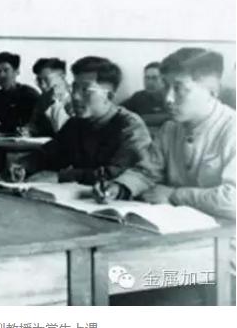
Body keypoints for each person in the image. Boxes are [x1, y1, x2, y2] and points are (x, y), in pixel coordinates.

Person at [100, 48, 235, 219]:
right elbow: (148, 172)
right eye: (166, 86)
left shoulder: (232, 129)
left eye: (179, 88)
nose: (168, 98)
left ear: (213, 90)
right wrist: (120, 188)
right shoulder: (170, 129)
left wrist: (174, 195)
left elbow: (233, 199)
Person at [4, 56, 152, 186]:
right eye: (74, 88)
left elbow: (118, 174)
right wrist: (22, 166)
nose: (75, 96)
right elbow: (48, 154)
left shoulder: (130, 127)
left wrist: (63, 177)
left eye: (85, 90)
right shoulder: (76, 124)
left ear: (109, 96)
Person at [22, 57, 72, 137]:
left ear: (62, 77)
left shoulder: (76, 97)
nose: (42, 85)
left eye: (46, 79)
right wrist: (28, 130)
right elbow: (34, 125)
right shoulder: (43, 99)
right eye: (39, 80)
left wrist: (56, 103)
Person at [121, 61, 169, 131]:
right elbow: (119, 111)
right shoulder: (139, 96)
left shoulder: (172, 98)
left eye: (154, 78)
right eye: (147, 78)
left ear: (164, 80)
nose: (149, 82)